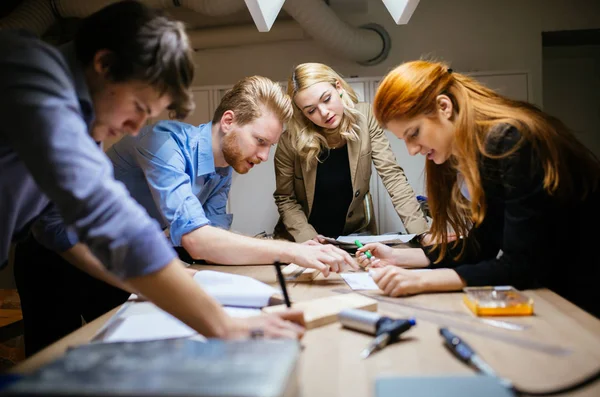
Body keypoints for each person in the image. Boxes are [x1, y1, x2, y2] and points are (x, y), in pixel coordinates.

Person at [3, 0, 303, 357]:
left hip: (83, 251)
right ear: (105, 66)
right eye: (140, 108)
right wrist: (224, 324)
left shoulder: (89, 119)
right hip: (52, 264)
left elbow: (69, 225)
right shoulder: (33, 76)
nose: (133, 128)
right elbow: (111, 218)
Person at [358, 60, 600, 318]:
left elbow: (520, 266)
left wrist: (421, 282)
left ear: (444, 107)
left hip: (585, 287)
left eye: (414, 133)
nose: (412, 149)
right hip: (557, 287)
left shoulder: (512, 141)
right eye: (403, 140)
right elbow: (483, 245)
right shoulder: (474, 150)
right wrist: (401, 258)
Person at [106, 75, 356, 273]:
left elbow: (214, 245)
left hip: (128, 254)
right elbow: (198, 241)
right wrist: (293, 251)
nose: (264, 156)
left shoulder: (222, 169)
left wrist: (299, 252)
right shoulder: (164, 144)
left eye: (270, 145)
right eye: (259, 140)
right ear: (228, 121)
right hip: (80, 251)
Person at [273, 63, 428, 244]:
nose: (324, 113)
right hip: (306, 239)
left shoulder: (365, 117)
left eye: (326, 99)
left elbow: (393, 177)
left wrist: (422, 233)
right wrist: (310, 240)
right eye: (311, 110)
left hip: (354, 236)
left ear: (338, 87)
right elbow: (285, 198)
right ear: (302, 113)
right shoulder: (289, 140)